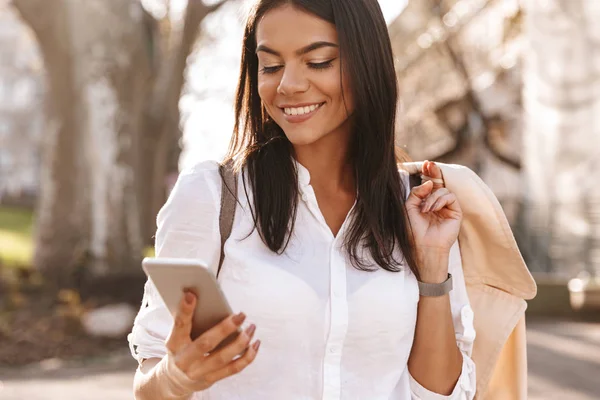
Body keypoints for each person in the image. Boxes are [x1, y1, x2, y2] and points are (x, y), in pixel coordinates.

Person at [129, 0, 477, 398]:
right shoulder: (212, 196)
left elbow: (441, 394)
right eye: (271, 66)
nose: (287, 85)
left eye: (319, 62)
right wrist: (175, 379)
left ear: (367, 64)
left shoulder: (417, 204)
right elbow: (149, 380)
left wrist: (432, 265)